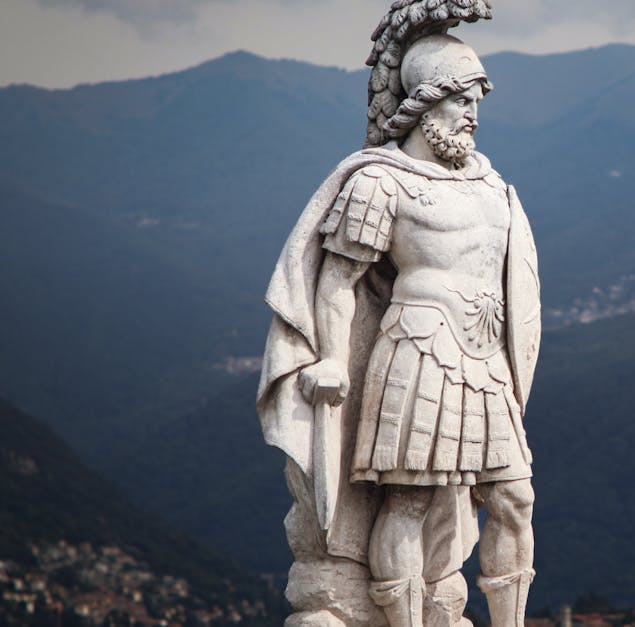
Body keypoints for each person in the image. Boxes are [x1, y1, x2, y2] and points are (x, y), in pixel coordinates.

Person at [258, 32, 540, 627]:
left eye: (477, 102)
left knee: (515, 498)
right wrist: (332, 358)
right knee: (407, 501)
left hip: (487, 362)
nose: (472, 115)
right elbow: (337, 281)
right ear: (425, 99)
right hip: (419, 350)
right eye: (461, 100)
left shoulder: (491, 185)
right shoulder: (379, 181)